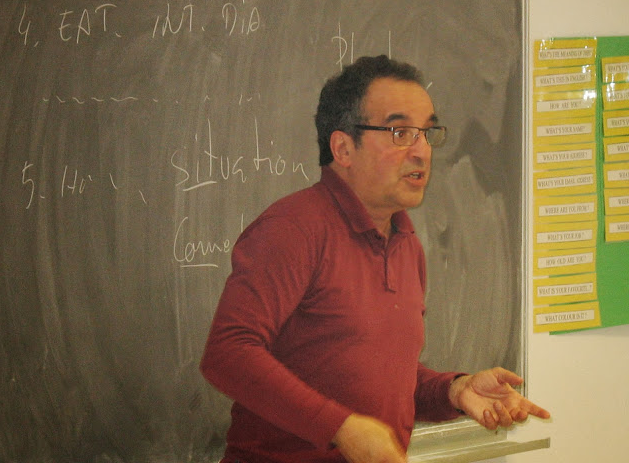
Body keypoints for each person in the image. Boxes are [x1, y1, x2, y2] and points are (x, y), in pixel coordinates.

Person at [201, 55, 550, 463]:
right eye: (400, 133)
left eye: (427, 132)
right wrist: (341, 428)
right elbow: (228, 353)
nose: (422, 152)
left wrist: (454, 390)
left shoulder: (405, 242)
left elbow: (378, 377)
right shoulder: (293, 229)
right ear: (343, 148)